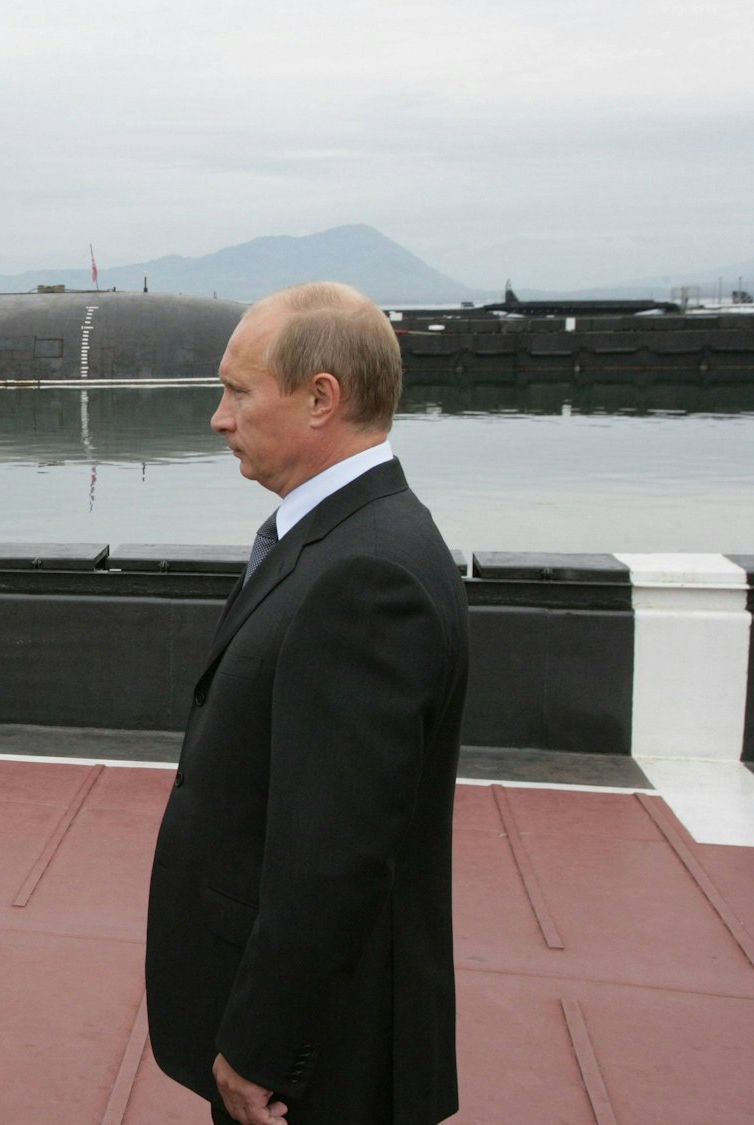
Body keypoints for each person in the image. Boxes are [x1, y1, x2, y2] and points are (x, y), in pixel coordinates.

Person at [144, 282, 469, 1125]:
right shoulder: (351, 538)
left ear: (322, 397)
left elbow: (334, 850)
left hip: (320, 1064)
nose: (220, 417)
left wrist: (262, 1046)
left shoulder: (367, 576)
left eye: (239, 392)